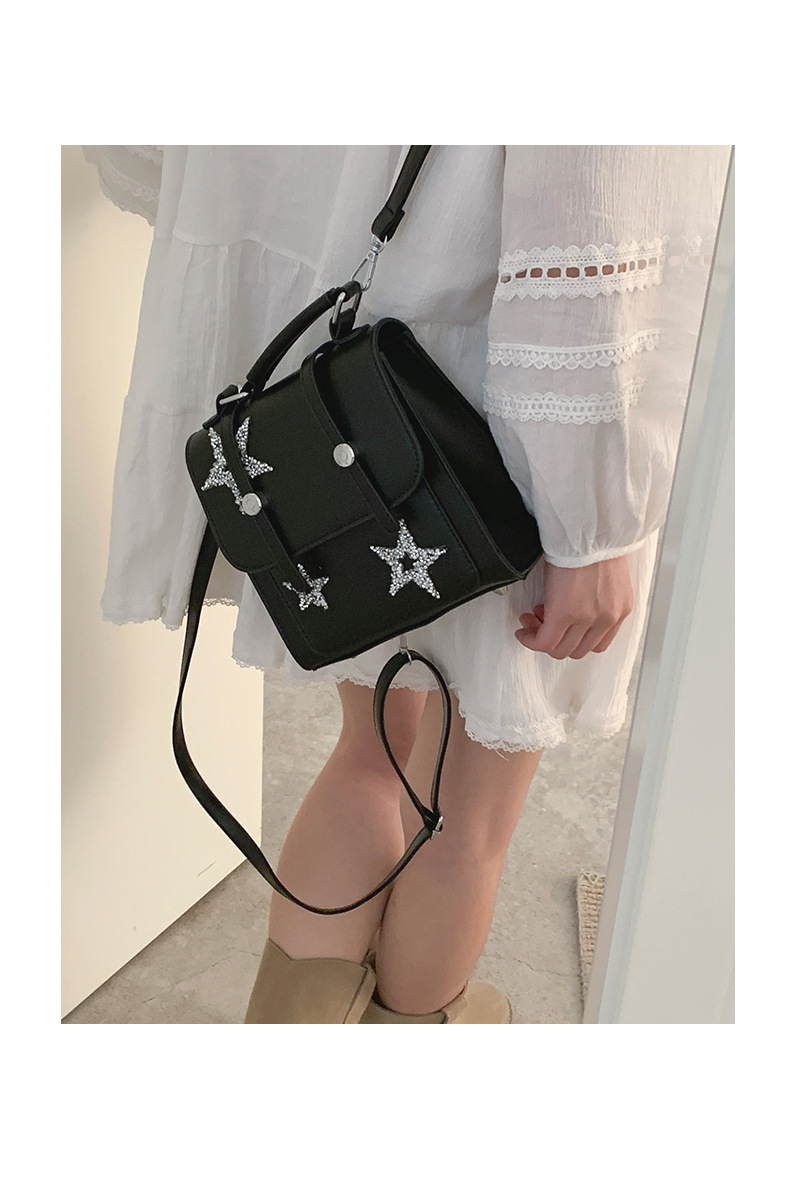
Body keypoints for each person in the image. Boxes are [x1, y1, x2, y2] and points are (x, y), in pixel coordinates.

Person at [84, 144, 730, 1023]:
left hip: (356, 388)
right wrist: (592, 528)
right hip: (507, 409)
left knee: (370, 753)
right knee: (464, 817)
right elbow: (598, 198)